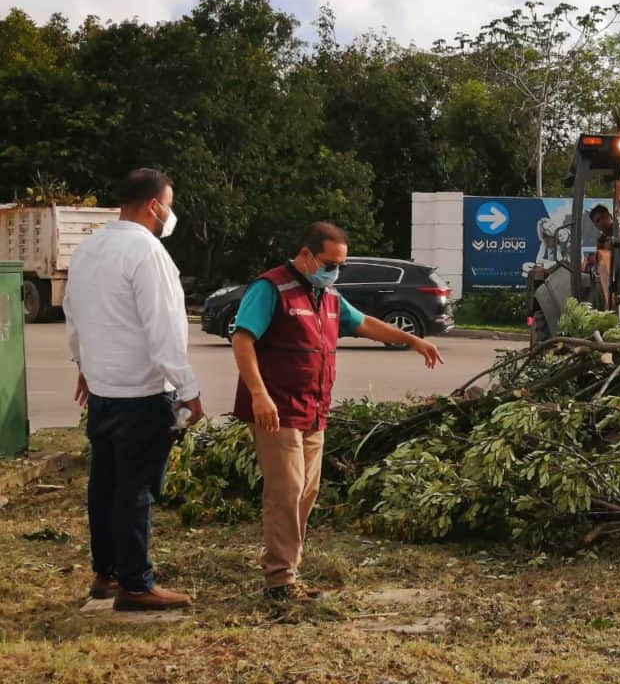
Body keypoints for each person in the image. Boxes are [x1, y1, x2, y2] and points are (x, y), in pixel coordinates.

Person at [231, 222, 444, 601]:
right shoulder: (271, 288)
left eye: (341, 266)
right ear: (306, 254)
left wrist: (411, 339)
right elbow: (243, 339)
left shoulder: (327, 295)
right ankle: (279, 581)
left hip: (313, 409)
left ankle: (287, 571)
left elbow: (364, 323)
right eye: (330, 263)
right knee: (287, 490)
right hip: (276, 409)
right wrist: (258, 394)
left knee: (306, 491)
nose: (335, 272)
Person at [64, 168, 203, 611]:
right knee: (136, 489)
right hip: (142, 393)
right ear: (153, 206)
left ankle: (105, 574)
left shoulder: (89, 247)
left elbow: (74, 315)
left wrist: (83, 366)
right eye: (170, 203)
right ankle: (136, 584)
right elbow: (163, 328)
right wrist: (188, 387)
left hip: (104, 390)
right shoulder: (148, 252)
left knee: (104, 485)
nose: (171, 213)